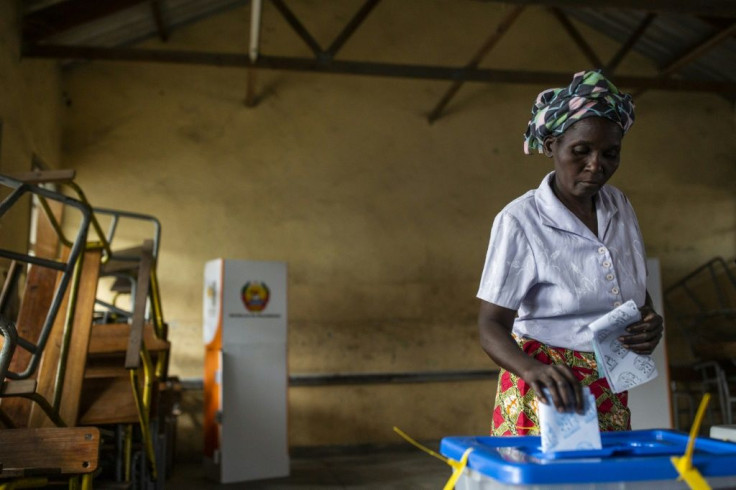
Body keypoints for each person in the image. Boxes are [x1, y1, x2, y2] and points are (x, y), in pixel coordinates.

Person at [477, 70, 664, 436]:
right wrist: (533, 371)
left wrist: (649, 319)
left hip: (610, 381)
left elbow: (633, 285)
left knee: (603, 480)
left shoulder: (620, 206)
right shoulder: (521, 220)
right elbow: (490, 325)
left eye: (610, 153)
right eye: (581, 151)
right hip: (546, 386)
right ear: (551, 147)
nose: (597, 165)